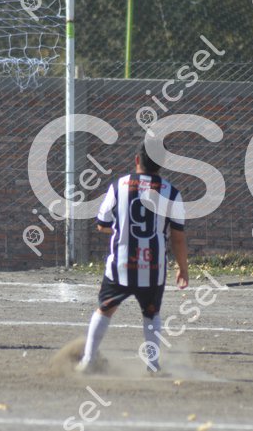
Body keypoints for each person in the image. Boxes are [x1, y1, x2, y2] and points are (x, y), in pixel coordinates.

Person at [76, 142, 189, 373]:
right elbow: (178, 238)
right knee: (151, 314)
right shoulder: (172, 193)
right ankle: (152, 365)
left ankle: (88, 361)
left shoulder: (119, 186)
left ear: (137, 160)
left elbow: (102, 224)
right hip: (153, 266)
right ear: (162, 164)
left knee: (105, 309)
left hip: (121, 265)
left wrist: (122, 228)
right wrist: (183, 268)